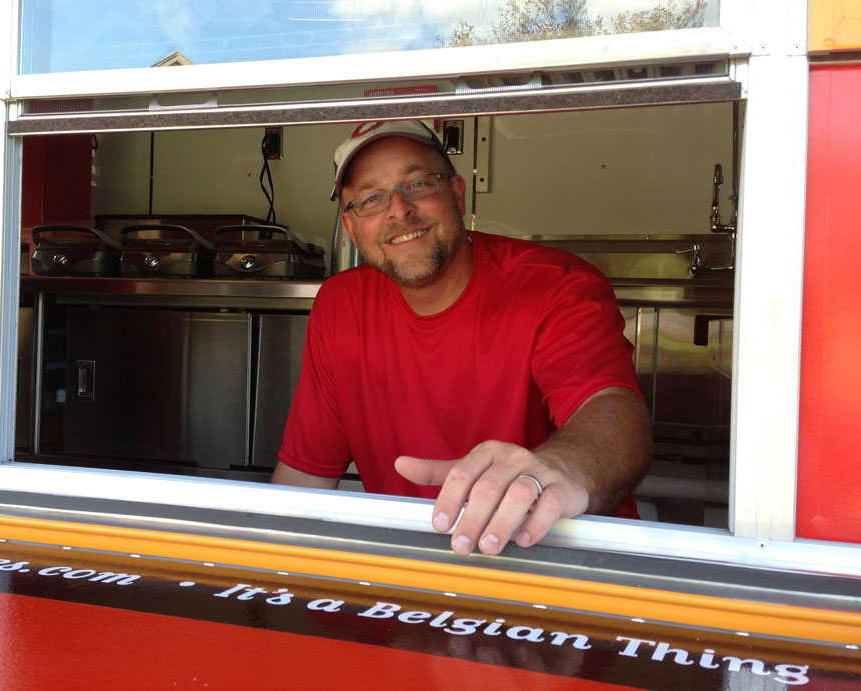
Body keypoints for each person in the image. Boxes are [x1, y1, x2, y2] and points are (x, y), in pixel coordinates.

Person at [272, 120, 653, 556]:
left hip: (558, 560)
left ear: (456, 194)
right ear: (353, 228)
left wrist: (560, 468)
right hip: (421, 572)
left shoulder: (555, 286)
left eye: (416, 183)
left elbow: (613, 415)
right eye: (372, 198)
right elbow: (304, 479)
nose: (398, 210)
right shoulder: (340, 306)